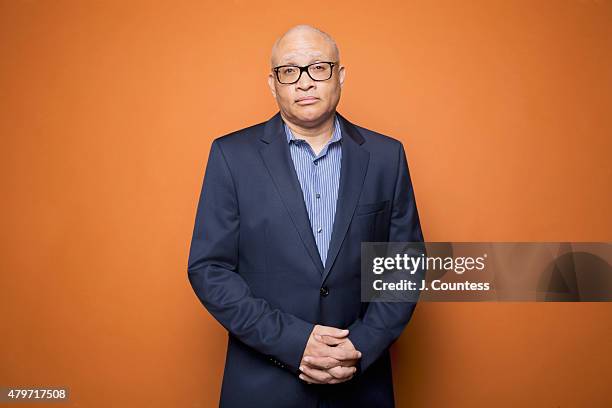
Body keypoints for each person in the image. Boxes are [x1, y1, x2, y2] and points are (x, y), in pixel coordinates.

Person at [187, 24, 424, 408]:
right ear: (272, 83)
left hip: (359, 384)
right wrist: (294, 343)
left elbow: (406, 264)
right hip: (263, 387)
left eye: (318, 67)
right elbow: (208, 269)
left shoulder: (386, 156)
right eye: (289, 71)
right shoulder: (232, 156)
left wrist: (359, 347)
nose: (304, 83)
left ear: (340, 75)